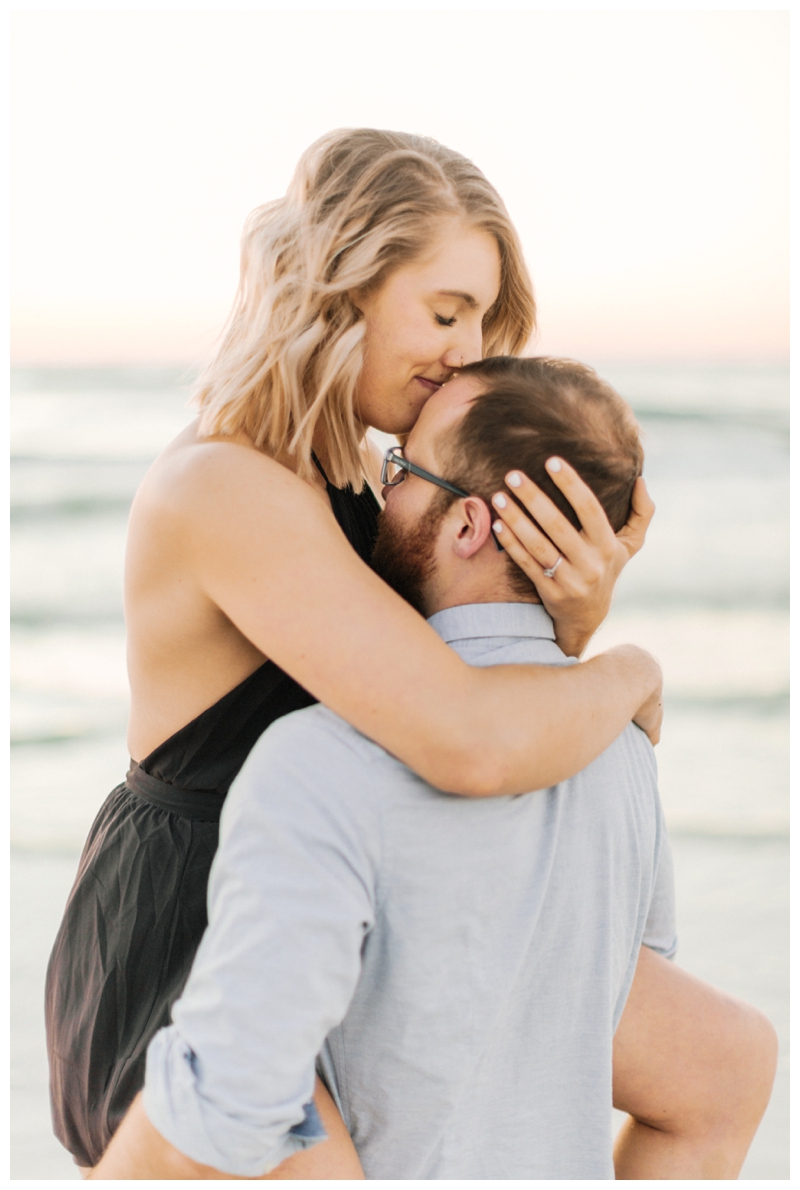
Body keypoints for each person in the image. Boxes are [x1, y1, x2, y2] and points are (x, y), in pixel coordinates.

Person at [45, 129, 665, 1174]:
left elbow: (458, 699)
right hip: (202, 937)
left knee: (721, 1059)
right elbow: (466, 738)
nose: (465, 351)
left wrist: (569, 619)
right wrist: (626, 669)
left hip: (353, 910)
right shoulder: (225, 484)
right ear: (341, 287)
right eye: (445, 311)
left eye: (479, 318)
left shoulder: (360, 474)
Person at [88, 358, 776, 1180]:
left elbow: (237, 1096)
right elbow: (616, 1000)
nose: (381, 493)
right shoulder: (624, 748)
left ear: (467, 528)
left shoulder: (319, 764)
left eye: (402, 468)